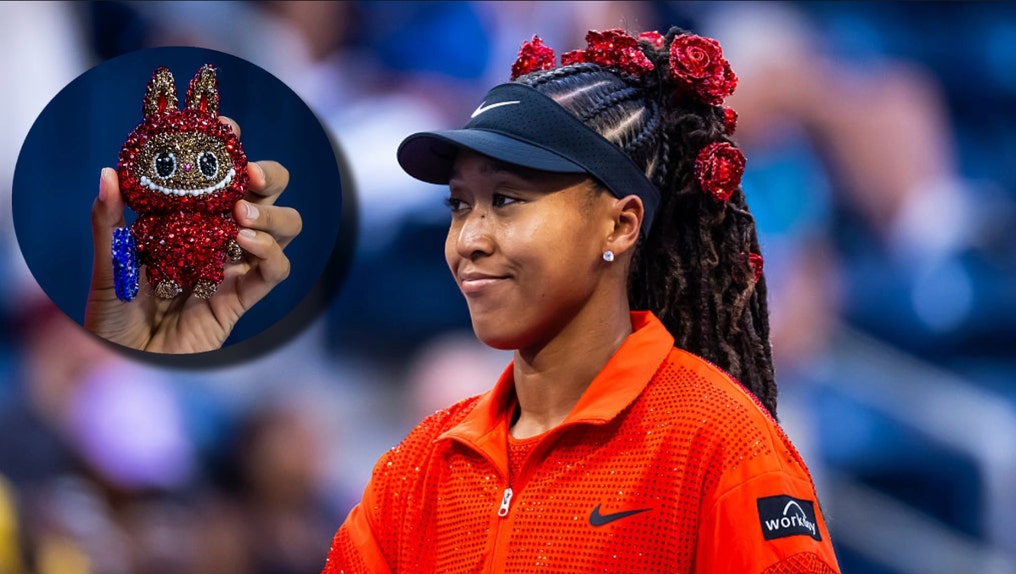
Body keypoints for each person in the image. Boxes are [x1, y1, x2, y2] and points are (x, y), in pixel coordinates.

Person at [321, 26, 841, 573]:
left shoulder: (718, 443)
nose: (468, 239)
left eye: (505, 200)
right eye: (458, 205)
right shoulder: (417, 469)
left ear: (619, 225)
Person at [85, 116, 302, 354]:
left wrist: (234, 243)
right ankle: (168, 281)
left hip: (207, 262)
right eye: (166, 162)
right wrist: (130, 258)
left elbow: (226, 232)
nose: (187, 169)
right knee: (164, 269)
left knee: (208, 266)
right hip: (161, 267)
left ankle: (205, 280)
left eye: (205, 161)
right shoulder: (153, 222)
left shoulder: (216, 220)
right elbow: (138, 238)